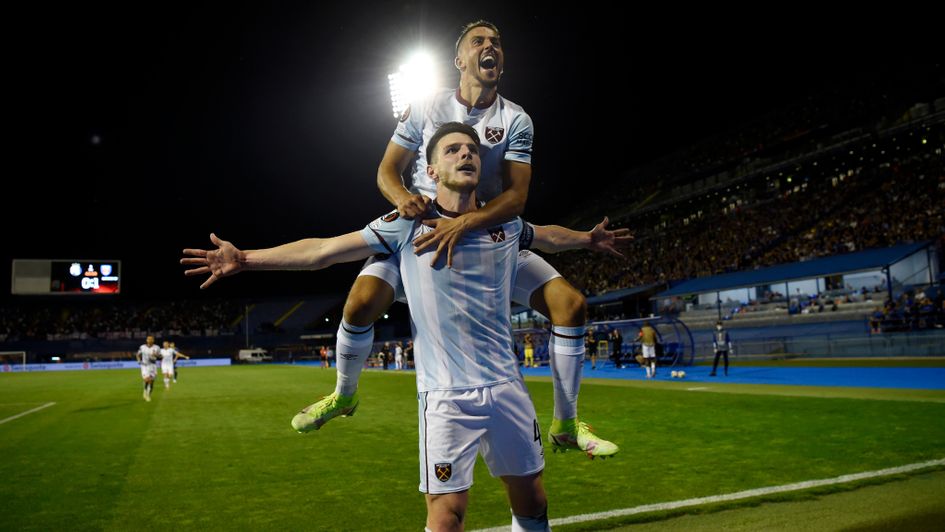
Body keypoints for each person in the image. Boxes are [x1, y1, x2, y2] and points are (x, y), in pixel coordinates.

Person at [181, 123, 626, 529]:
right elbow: (324, 251)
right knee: (447, 514)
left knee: (532, 500)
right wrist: (246, 259)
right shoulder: (407, 223)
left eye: (472, 149)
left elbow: (545, 234)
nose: (466, 155)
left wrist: (588, 239)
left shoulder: (503, 224)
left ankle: (565, 426)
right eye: (453, 150)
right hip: (446, 397)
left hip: (508, 388)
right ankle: (343, 392)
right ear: (431, 169)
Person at [310, 20, 627, 457]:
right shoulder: (425, 104)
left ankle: (567, 423)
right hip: (419, 233)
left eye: (496, 42)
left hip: (486, 236)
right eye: (479, 41)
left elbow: (516, 197)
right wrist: (404, 199)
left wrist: (467, 224)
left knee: (570, 305)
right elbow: (386, 170)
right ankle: (345, 393)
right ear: (460, 60)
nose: (490, 46)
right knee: (360, 302)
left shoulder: (516, 119)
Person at [135, 335, 160, 401]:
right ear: (146, 340)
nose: (150, 340)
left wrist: (156, 355)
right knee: (147, 379)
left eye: (151, 339)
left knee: (151, 382)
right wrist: (138, 360)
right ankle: (145, 390)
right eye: (148, 339)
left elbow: (161, 356)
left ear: (153, 340)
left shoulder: (157, 347)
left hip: (153, 366)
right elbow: (137, 354)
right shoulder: (142, 347)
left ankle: (148, 395)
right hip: (144, 366)